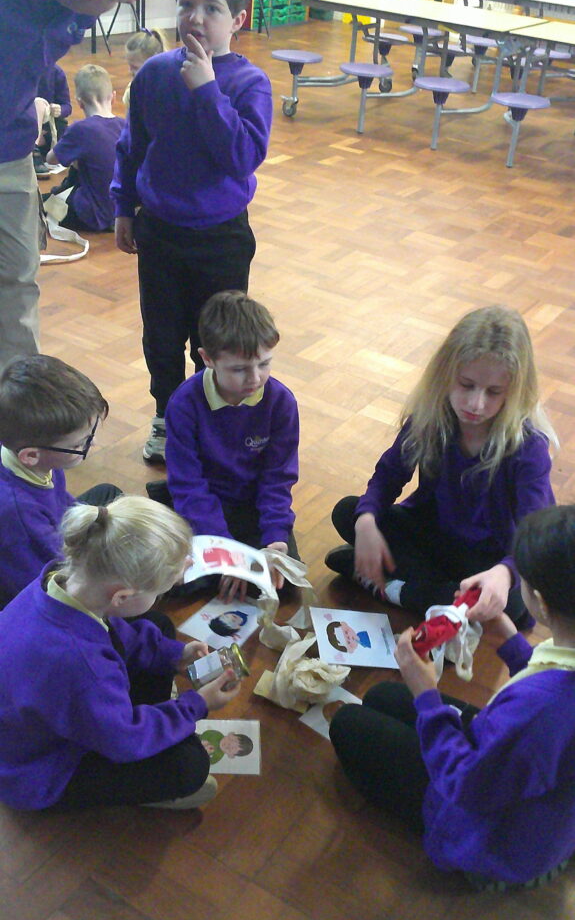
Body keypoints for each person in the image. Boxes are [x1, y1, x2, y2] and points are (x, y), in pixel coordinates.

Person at [330, 504, 575, 890]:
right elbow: (548, 679)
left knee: (347, 723)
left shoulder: (540, 708)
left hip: (492, 839)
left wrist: (426, 694)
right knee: (382, 696)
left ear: (540, 601)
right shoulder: (558, 677)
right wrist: (508, 638)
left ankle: (495, 870)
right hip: (535, 786)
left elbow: (467, 785)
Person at [111, 0, 273, 463]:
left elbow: (241, 157)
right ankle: (167, 413)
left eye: (212, 8)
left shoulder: (249, 83)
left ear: (238, 19)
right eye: (186, 4)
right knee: (161, 336)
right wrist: (123, 207)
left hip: (221, 237)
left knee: (218, 338)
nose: (196, 18)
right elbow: (132, 147)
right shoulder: (154, 74)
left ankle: (209, 418)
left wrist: (207, 92)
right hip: (160, 231)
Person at [0, 495, 242, 811]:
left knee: (156, 626)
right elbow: (124, 739)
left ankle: (149, 710)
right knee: (189, 765)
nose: (162, 596)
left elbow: (113, 631)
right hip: (38, 771)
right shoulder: (84, 667)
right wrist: (196, 704)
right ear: (122, 596)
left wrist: (175, 654)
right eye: (161, 592)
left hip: (44, 717)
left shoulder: (57, 581)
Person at [325, 306, 557, 629]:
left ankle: (392, 587)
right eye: (466, 385)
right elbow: (389, 475)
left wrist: (505, 573)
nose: (476, 404)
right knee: (348, 511)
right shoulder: (431, 418)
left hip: (488, 557)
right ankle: (427, 591)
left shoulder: (527, 447)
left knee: (514, 604)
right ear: (445, 375)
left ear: (515, 392)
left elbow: (536, 536)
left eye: (493, 392)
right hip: (432, 535)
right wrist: (366, 521)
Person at [0, 0, 154, 371]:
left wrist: (23, 105)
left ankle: (21, 396)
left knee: (18, 278)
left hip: (10, 151)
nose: (130, 1)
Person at [164, 291, 299, 599]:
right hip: (203, 503)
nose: (255, 378)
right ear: (207, 359)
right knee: (179, 585)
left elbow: (278, 478)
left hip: (253, 503)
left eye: (264, 364)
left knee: (283, 584)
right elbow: (189, 484)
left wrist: (276, 537)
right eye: (239, 369)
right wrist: (225, 552)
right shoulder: (184, 404)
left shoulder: (281, 402)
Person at [0, 354, 121, 608]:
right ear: (31, 455)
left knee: (110, 494)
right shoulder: (17, 514)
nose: (92, 445)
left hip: (51, 535)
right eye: (80, 444)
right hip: (38, 584)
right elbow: (49, 586)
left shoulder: (38, 458)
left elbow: (60, 501)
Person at [44, 64, 125, 232]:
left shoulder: (81, 129)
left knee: (43, 204)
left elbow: (51, 159)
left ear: (79, 102)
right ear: (113, 97)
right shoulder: (125, 126)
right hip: (122, 213)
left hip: (91, 215)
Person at [33, 63, 72, 177]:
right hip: (25, 124)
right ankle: (34, 149)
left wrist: (59, 109)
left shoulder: (56, 72)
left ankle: (34, 149)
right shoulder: (17, 70)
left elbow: (67, 106)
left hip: (50, 126)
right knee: (38, 104)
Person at [123, 27, 168, 112]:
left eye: (135, 67)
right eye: (129, 66)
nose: (130, 71)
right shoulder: (132, 90)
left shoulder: (169, 88)